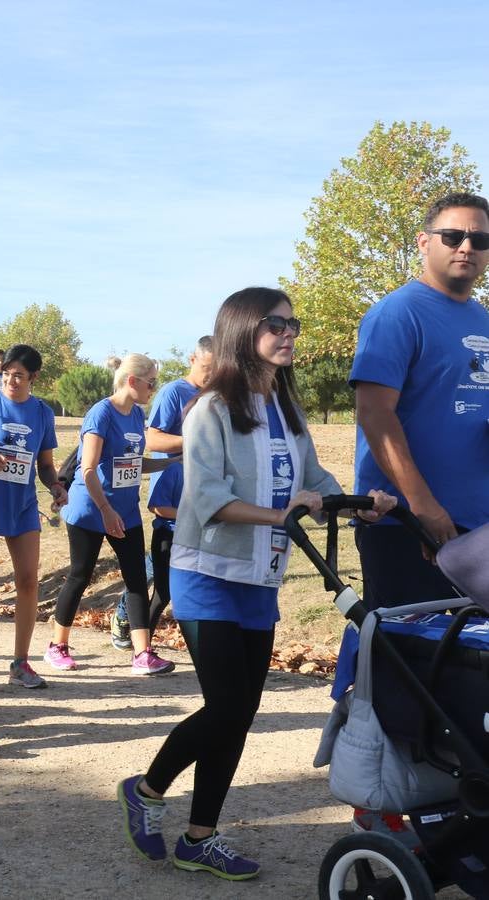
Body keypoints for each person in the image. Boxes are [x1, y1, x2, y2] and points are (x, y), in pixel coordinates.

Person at [119, 286, 395, 880]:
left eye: (293, 324)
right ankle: (145, 790)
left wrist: (355, 504)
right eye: (275, 324)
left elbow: (313, 479)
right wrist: (281, 514)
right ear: (244, 331)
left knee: (240, 713)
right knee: (225, 707)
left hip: (259, 576)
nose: (289, 332)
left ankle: (199, 837)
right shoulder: (211, 410)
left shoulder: (288, 412)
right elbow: (208, 496)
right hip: (204, 574)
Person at [352, 191, 489, 606]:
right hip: (407, 524)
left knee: (463, 659)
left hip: (477, 529)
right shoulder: (396, 314)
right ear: (423, 242)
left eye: (480, 240)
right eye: (452, 236)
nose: (466, 247)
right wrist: (422, 505)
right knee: (406, 654)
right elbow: (374, 415)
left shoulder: (482, 318)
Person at [49, 353, 174, 676]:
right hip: (90, 509)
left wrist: (173, 461)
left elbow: (134, 462)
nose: (153, 389)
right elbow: (88, 469)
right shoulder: (101, 413)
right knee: (80, 575)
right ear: (132, 381)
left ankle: (143, 653)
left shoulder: (136, 414)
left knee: (135, 578)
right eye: (151, 383)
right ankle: (57, 646)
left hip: (126, 511)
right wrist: (105, 509)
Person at [0, 344, 67, 686]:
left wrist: (56, 487)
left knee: (27, 582)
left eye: (18, 375)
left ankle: (20, 663)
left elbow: (46, 465)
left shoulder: (42, 413)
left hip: (21, 507)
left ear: (34, 377)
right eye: (6, 374)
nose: (10, 381)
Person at [112, 336, 213, 647]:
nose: (212, 375)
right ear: (193, 359)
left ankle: (141, 636)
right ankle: (130, 625)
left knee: (172, 583)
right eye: (208, 368)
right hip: (171, 496)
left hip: (200, 501)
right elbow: (152, 440)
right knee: (159, 579)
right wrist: (193, 442)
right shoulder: (173, 392)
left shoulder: (215, 396)